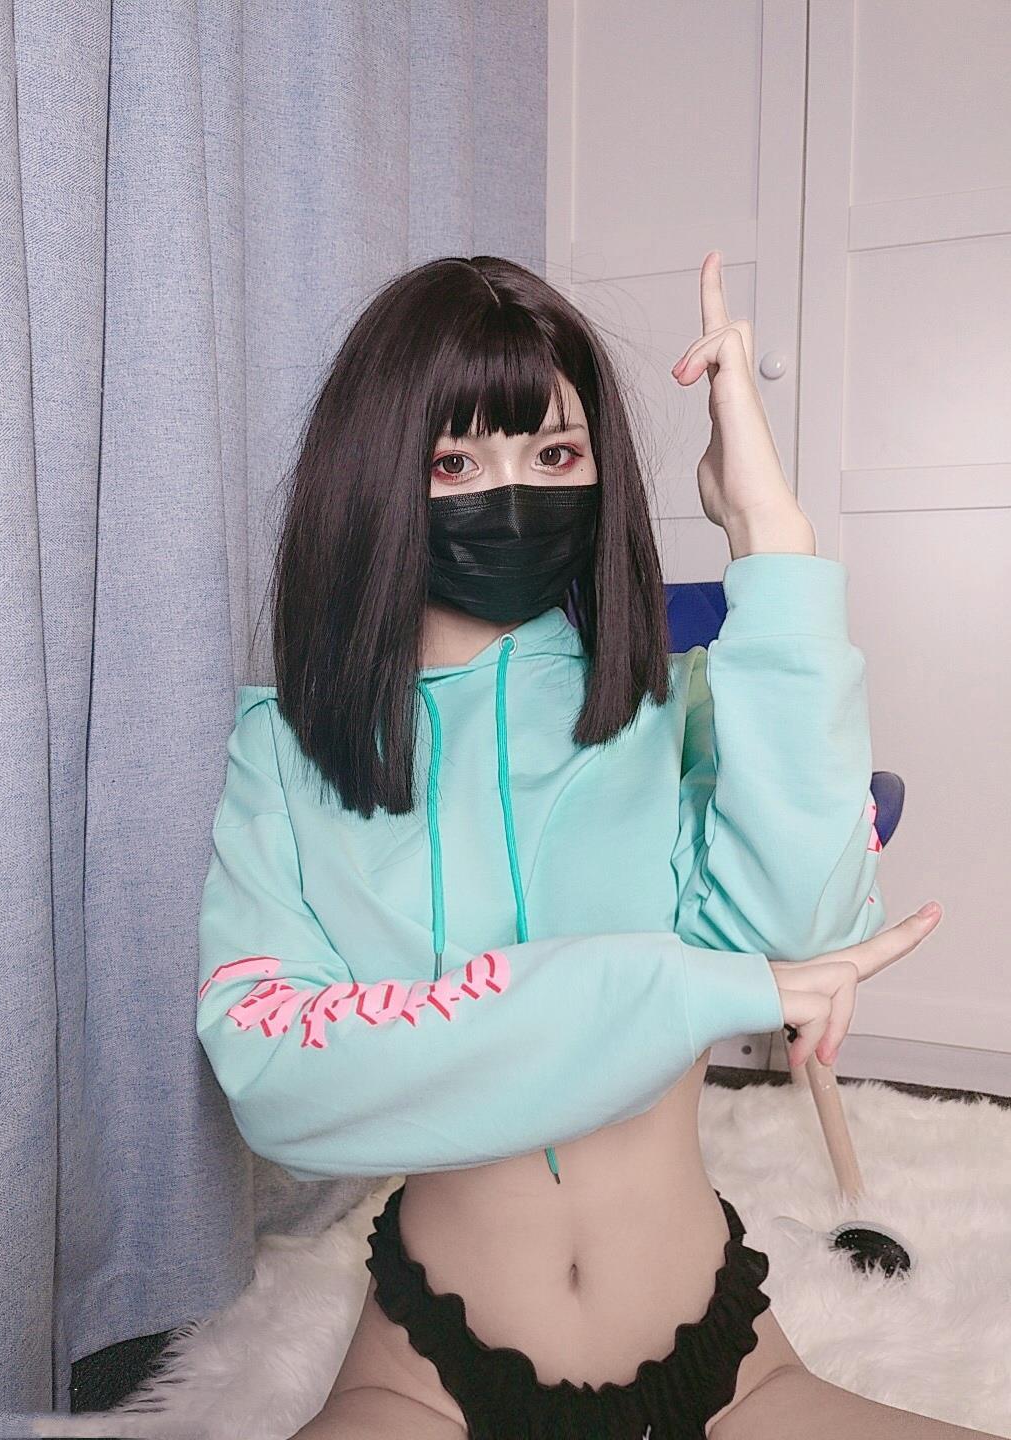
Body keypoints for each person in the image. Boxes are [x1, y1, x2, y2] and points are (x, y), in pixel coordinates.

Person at [196, 252, 995, 1438]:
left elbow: (803, 928)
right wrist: (686, 990)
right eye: (455, 463)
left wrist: (769, 535)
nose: (512, 493)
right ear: (375, 480)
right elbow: (281, 1085)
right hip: (429, 1362)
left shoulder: (674, 708)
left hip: (717, 1347)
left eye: (555, 456)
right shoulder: (286, 754)